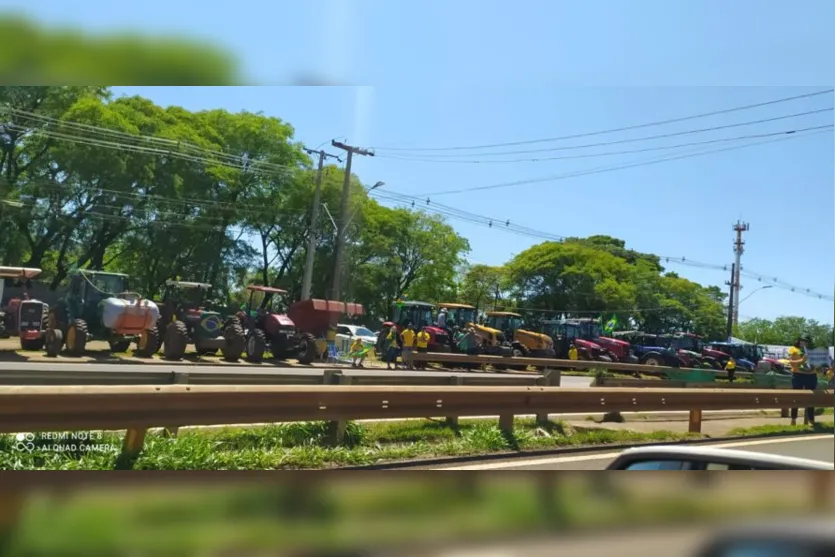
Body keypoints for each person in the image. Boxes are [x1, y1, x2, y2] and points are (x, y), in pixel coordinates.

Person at [788, 334, 816, 426]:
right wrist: (802, 360)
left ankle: (811, 420)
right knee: (796, 397)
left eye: (805, 341)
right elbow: (791, 363)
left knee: (811, 398)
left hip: (811, 376)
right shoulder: (793, 349)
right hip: (798, 375)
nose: (803, 342)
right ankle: (793, 419)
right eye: (801, 340)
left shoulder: (813, 351)